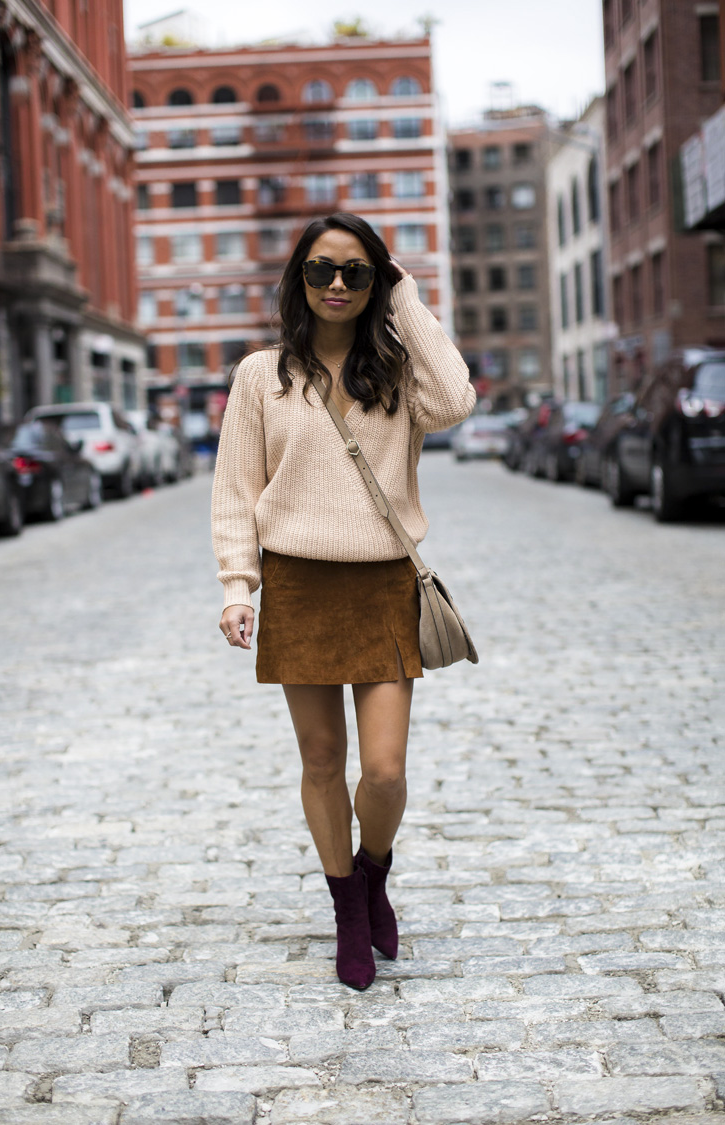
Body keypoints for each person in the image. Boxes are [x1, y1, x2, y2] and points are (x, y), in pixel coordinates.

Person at [211, 212, 475, 990]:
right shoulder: (261, 375)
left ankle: (374, 871)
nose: (336, 285)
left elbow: (456, 399)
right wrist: (237, 585)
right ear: (299, 277)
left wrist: (406, 298)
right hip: (297, 581)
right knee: (323, 761)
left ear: (375, 283)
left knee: (385, 772)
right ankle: (348, 911)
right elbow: (236, 490)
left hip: (381, 581)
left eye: (356, 273)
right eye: (322, 270)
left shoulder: (397, 373)